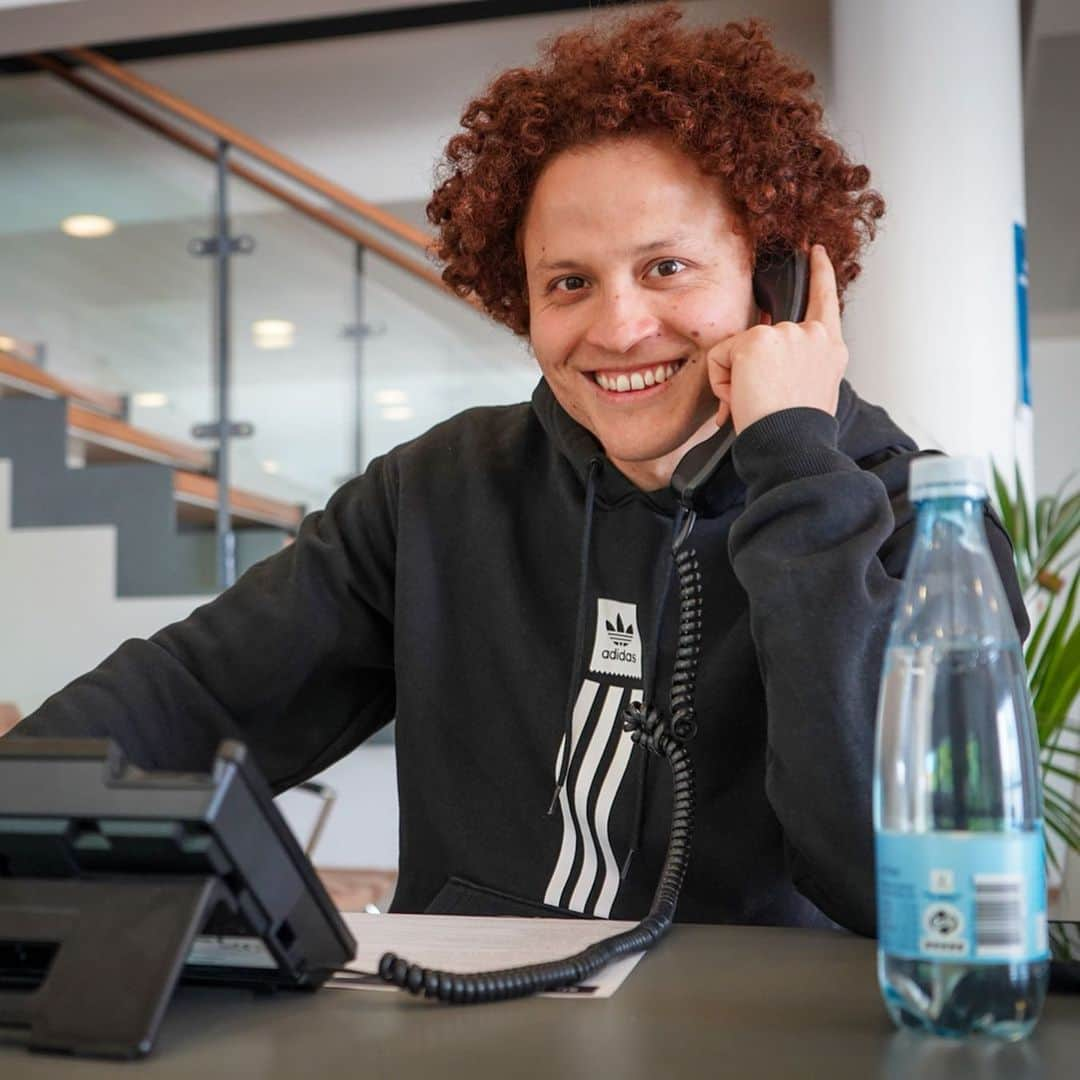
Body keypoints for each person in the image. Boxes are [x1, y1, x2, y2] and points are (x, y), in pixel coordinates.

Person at [11, 5, 1026, 936]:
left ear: (779, 281)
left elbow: (895, 873)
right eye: (570, 282)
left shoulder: (910, 518)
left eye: (666, 267)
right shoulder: (438, 490)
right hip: (469, 1038)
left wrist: (797, 465)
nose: (620, 327)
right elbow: (194, 697)